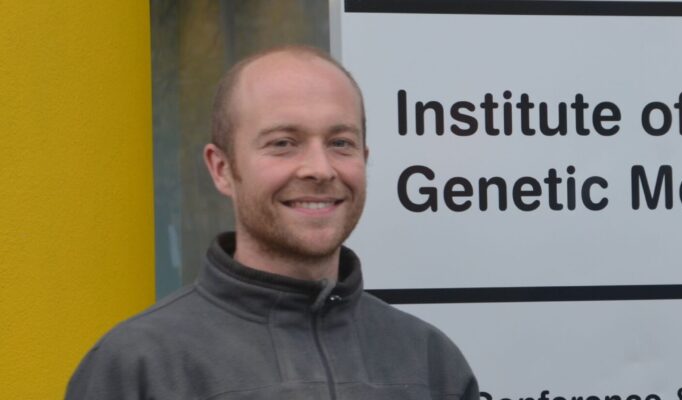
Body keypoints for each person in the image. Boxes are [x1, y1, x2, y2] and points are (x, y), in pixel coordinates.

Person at [67, 46, 479, 399]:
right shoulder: (140, 366)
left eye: (340, 143)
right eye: (283, 143)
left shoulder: (429, 362)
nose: (320, 169)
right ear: (222, 168)